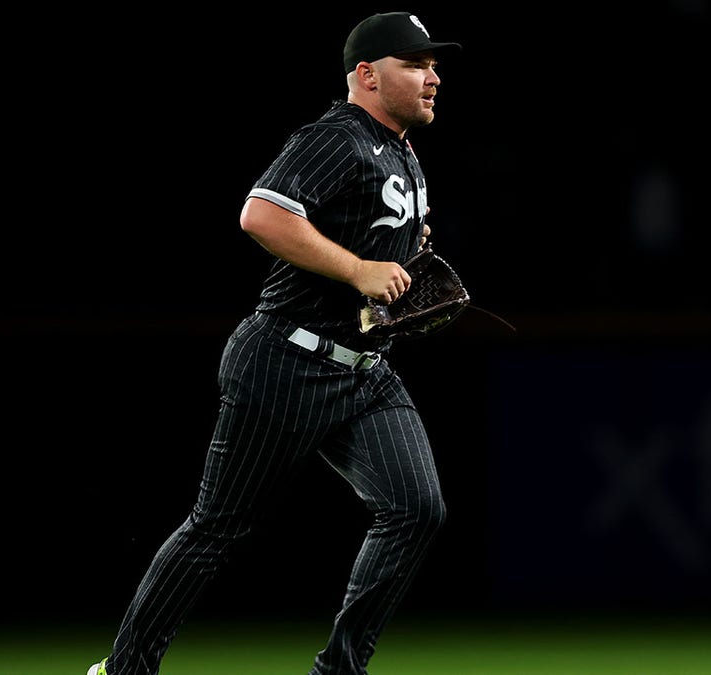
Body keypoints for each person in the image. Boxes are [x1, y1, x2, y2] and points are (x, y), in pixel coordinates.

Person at [87, 11, 461, 675]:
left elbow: (366, 239)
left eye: (434, 64)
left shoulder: (400, 149)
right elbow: (261, 214)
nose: (433, 76)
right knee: (216, 528)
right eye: (415, 63)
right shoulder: (337, 136)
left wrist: (399, 251)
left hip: (365, 370)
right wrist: (359, 268)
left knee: (416, 507)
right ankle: (125, 670)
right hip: (285, 360)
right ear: (367, 75)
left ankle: (339, 670)